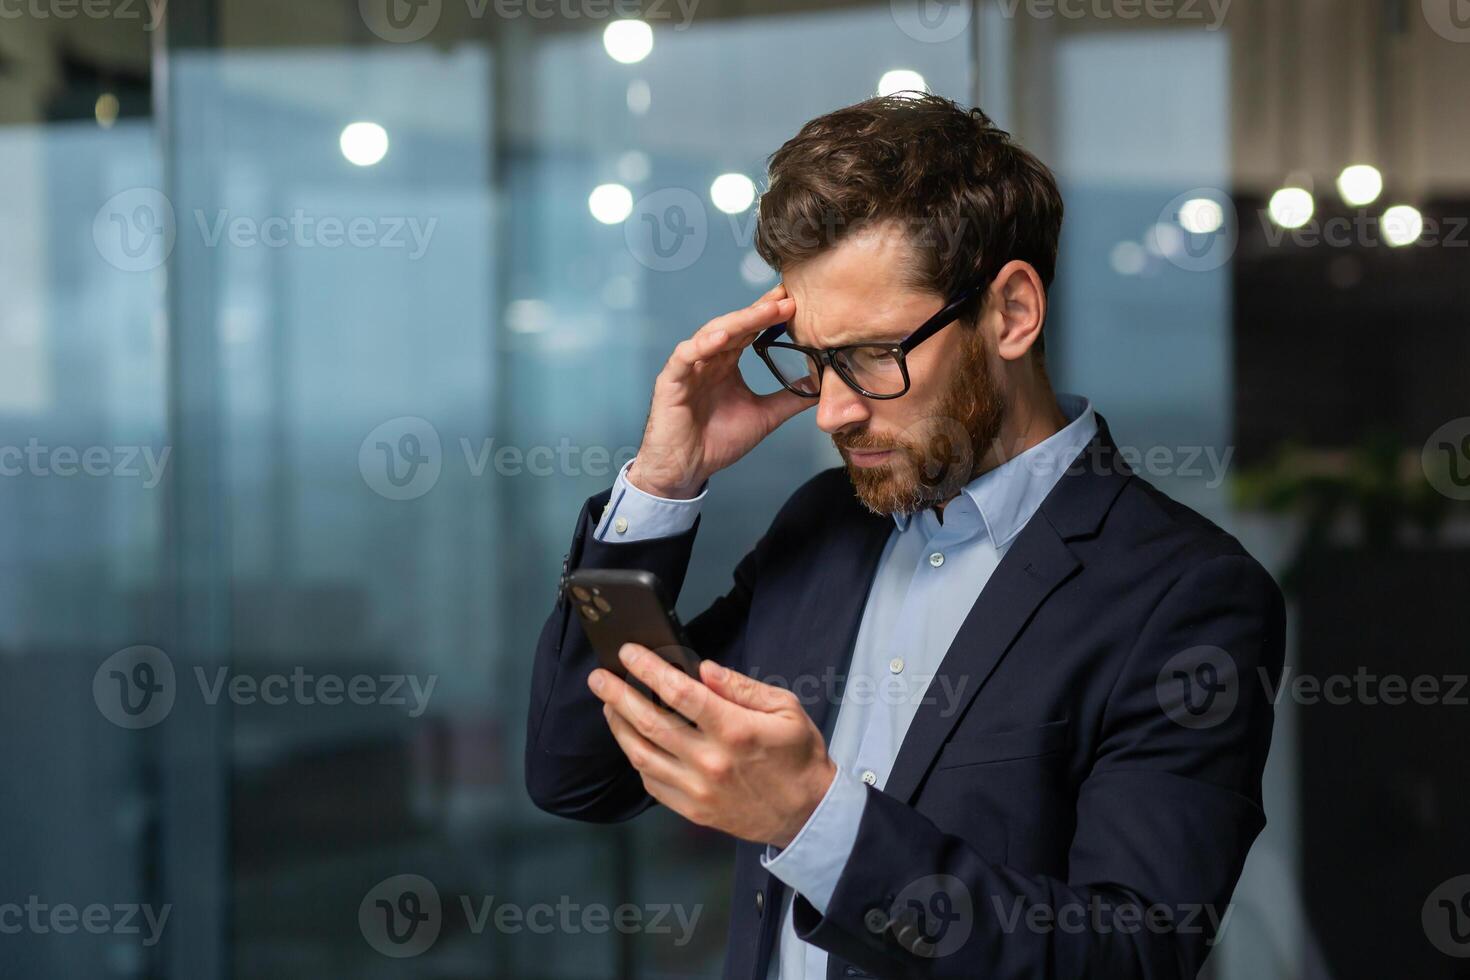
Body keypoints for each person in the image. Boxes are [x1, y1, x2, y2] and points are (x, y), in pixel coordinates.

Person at [525, 92, 1284, 980]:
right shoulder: (824, 525)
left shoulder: (1186, 595)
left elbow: (1128, 959)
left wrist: (816, 823)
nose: (833, 412)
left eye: (872, 355)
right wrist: (661, 486)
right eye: (813, 360)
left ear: (1010, 312)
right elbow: (580, 773)